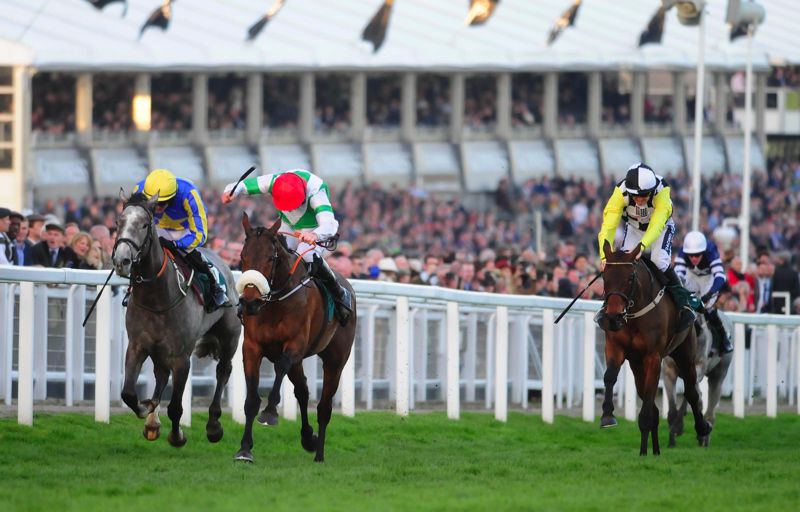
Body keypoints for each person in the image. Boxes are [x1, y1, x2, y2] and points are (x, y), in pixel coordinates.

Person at [221, 168, 352, 325]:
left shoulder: (316, 193)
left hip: (316, 228)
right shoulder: (276, 181)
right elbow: (245, 185)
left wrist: (315, 235)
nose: (291, 209)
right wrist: (231, 191)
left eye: (293, 205)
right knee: (273, 251)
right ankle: (258, 298)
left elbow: (329, 224)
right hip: (288, 224)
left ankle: (338, 293)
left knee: (306, 255)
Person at [597, 162, 694, 331]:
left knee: (659, 261)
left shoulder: (662, 191)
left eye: (644, 195)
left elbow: (656, 225)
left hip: (660, 229)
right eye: (636, 196)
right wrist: (604, 257)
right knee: (622, 265)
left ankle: (684, 305)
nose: (640, 199)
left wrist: (642, 247)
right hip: (634, 228)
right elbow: (608, 226)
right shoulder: (620, 193)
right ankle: (606, 306)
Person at [133, 169, 228, 312]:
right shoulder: (139, 190)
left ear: (172, 198)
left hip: (184, 229)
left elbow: (200, 235)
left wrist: (176, 244)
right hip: (157, 226)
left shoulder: (189, 194)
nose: (157, 207)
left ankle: (215, 287)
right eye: (154, 203)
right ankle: (132, 289)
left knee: (189, 253)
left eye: (162, 203)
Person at [675, 231, 732, 353]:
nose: (694, 258)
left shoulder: (710, 251)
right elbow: (678, 275)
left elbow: (720, 276)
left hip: (708, 277)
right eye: (691, 255)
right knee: (686, 304)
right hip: (691, 275)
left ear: (704, 252)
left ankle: (723, 340)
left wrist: (710, 293)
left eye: (697, 255)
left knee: (707, 308)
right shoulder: (682, 253)